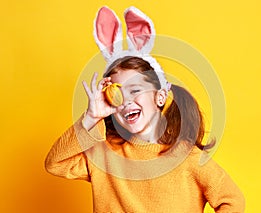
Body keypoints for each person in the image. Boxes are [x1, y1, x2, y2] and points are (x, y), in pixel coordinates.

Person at [45, 6, 245, 212]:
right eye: (118, 93)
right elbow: (55, 164)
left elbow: (232, 200)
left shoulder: (188, 157)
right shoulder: (104, 155)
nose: (126, 101)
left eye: (135, 90)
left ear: (159, 96)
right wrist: (91, 117)